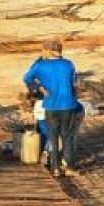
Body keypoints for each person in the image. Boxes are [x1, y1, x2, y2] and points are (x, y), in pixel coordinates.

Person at [22, 39, 81, 177]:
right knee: (67, 136)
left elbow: (27, 78)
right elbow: (74, 82)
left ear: (47, 51)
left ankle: (55, 167)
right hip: (68, 105)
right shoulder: (69, 64)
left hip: (51, 105)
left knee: (52, 136)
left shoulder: (40, 66)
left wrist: (39, 87)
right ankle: (70, 167)